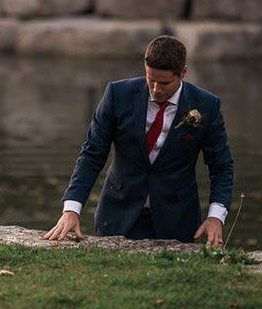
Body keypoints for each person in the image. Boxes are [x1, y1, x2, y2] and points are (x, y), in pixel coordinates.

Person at [44, 35, 233, 247]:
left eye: (164, 83)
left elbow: (221, 167)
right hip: (118, 212)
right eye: (150, 79)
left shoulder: (206, 105)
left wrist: (215, 216)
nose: (155, 90)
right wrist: (71, 209)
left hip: (177, 218)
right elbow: (91, 154)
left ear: (183, 73)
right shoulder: (117, 95)